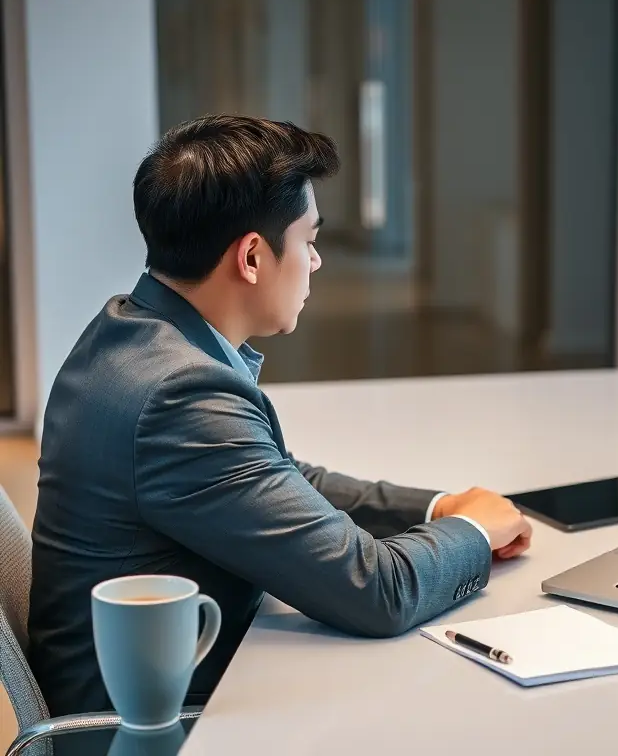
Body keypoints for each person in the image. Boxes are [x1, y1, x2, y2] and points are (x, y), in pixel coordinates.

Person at [27, 115, 533, 716]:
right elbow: (376, 592)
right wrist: (473, 533)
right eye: (309, 241)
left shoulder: (131, 332)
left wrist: (435, 509)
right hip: (155, 725)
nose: (316, 262)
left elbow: (274, 476)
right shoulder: (178, 394)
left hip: (172, 677)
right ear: (251, 257)